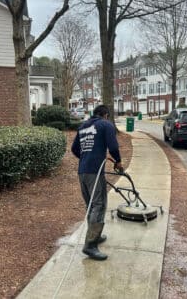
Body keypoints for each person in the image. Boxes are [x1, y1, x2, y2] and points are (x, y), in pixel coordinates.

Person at [71, 105, 123, 261]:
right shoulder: (106, 124)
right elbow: (113, 146)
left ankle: (95, 235)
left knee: (91, 206)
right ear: (106, 115)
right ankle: (90, 245)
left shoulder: (83, 126)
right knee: (99, 204)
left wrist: (87, 157)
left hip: (83, 171)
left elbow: (74, 149)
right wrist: (118, 161)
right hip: (95, 171)